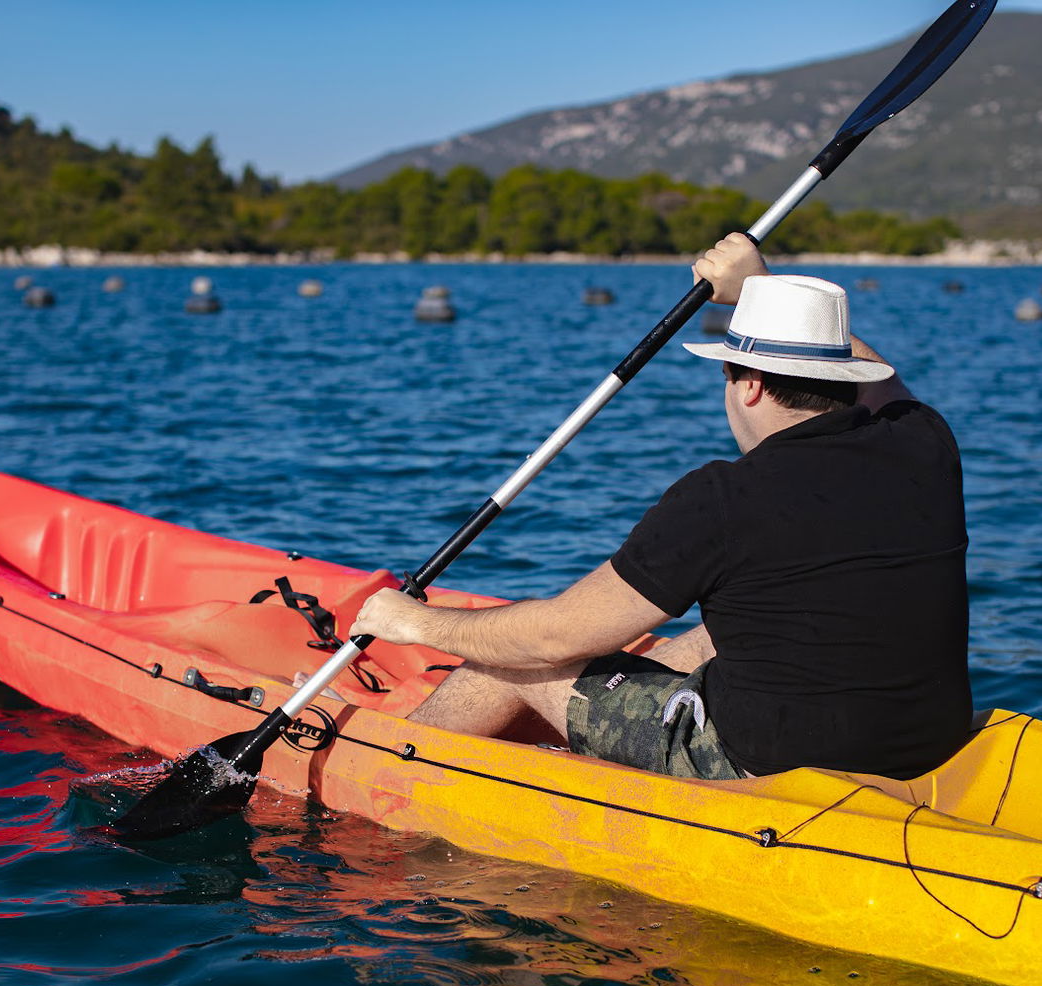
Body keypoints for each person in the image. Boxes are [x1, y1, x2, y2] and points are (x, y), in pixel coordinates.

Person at [351, 233, 971, 781]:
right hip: (921, 748)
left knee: (511, 662)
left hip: (765, 765)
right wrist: (760, 288)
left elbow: (552, 637)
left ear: (748, 383)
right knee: (728, 627)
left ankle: (384, 768)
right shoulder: (924, 443)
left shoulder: (724, 496)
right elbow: (879, 383)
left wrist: (415, 623)